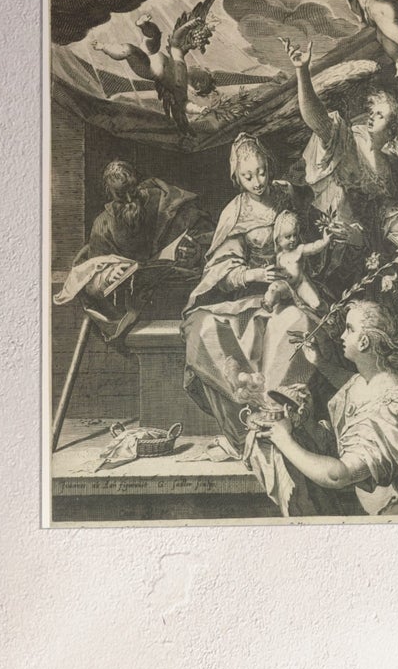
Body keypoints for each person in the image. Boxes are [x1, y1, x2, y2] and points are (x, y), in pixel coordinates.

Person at [261, 300, 398, 517]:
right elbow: (349, 384)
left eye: (349, 329)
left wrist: (283, 439)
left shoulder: (388, 409)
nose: (342, 336)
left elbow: (338, 476)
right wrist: (320, 366)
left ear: (364, 342)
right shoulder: (371, 380)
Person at [181, 134, 319, 443]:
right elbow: (221, 272)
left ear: (269, 167)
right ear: (236, 177)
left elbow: (308, 233)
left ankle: (282, 412)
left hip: (289, 290)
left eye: (261, 172)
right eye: (248, 176)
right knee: (204, 328)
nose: (257, 182)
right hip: (245, 297)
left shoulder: (287, 194)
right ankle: (249, 416)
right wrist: (254, 274)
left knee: (298, 323)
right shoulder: (235, 212)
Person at [283, 39, 398, 259]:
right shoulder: (347, 139)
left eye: (380, 115)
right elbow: (317, 120)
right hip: (330, 230)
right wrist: (302, 72)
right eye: (372, 112)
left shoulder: (392, 165)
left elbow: (385, 211)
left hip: (364, 238)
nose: (371, 117)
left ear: (392, 129)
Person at [53, 159, 204, 342]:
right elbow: (94, 270)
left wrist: (195, 250)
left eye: (131, 191)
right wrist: (108, 273)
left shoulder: (168, 203)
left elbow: (206, 236)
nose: (129, 200)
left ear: (138, 184)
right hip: (135, 303)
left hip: (178, 293)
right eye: (121, 195)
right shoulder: (103, 223)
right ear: (109, 192)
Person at [270, 209, 333, 314]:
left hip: (301, 284)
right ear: (278, 239)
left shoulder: (299, 250)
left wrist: (324, 241)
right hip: (286, 285)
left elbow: (314, 247)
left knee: (316, 303)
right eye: (288, 237)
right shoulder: (279, 255)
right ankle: (268, 305)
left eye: (295, 235)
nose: (293, 239)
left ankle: (329, 315)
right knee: (273, 289)